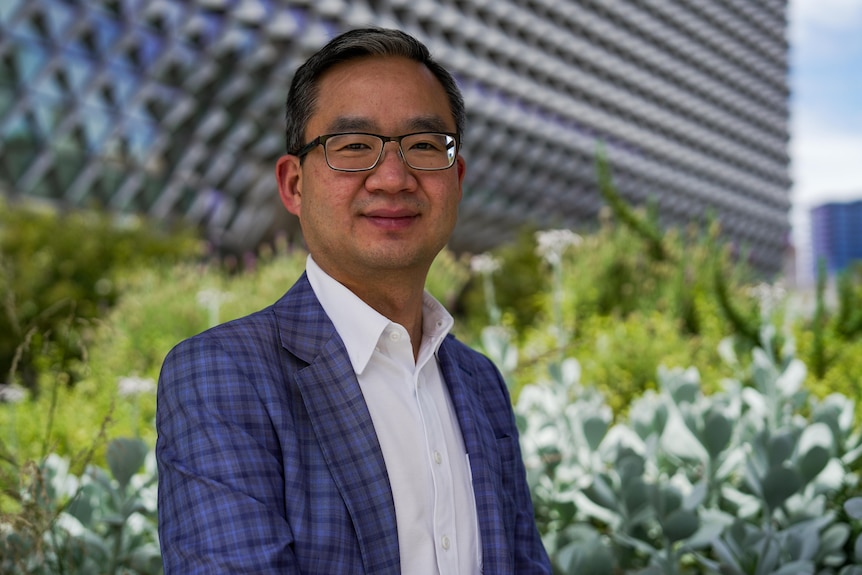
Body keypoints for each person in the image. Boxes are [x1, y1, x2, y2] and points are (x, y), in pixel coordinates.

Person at [155, 27, 552, 575]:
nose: (392, 178)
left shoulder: (481, 382)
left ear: (456, 178)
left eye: (423, 147)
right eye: (354, 147)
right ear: (294, 184)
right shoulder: (224, 377)